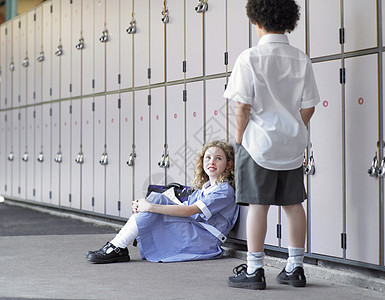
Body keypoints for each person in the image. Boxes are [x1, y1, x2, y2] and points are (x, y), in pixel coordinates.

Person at [224, 0, 320, 290]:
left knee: (258, 206)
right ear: (289, 21)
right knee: (294, 205)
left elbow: (242, 106)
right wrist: (296, 130)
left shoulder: (250, 57)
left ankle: (254, 270)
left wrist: (240, 138)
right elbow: (309, 107)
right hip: (291, 145)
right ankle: (296, 268)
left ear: (257, 22)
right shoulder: (300, 58)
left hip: (258, 145)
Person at [86, 140, 238, 263]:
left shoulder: (224, 191)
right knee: (156, 199)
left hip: (205, 240)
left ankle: (117, 246)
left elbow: (189, 211)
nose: (212, 161)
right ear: (202, 161)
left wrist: (151, 207)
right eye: (208, 157)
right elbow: (183, 207)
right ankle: (118, 245)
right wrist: (148, 205)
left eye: (219, 158)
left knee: (154, 204)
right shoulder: (205, 189)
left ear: (228, 165)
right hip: (196, 231)